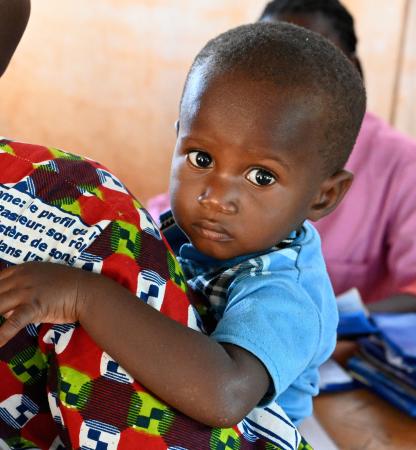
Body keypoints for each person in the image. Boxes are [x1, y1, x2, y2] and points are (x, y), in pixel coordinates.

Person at [0, 19, 366, 432]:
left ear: (324, 195)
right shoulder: (176, 231)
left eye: (261, 177)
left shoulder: (287, 293)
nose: (215, 196)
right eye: (201, 159)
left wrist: (85, 296)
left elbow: (224, 396)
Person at [149, 0, 416, 316]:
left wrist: (339, 326)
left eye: (262, 177)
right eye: (265, 60)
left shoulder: (407, 168)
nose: (283, 82)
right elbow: (159, 221)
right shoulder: (222, 155)